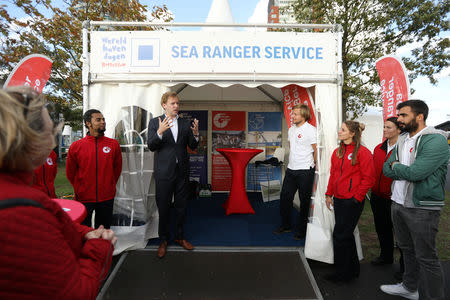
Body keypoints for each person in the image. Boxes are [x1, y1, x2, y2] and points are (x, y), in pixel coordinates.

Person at [0, 87, 116, 300]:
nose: (53, 138)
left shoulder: (29, 201)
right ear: (30, 137)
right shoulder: (25, 209)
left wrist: (83, 234)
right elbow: (75, 293)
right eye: (49, 128)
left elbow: (57, 228)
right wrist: (100, 247)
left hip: (104, 198)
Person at [381, 100, 449, 300]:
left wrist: (396, 166)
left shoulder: (435, 140)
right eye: (399, 115)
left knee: (427, 257)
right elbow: (386, 168)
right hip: (398, 203)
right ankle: (410, 288)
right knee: (407, 251)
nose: (399, 119)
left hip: (422, 208)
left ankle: (434, 297)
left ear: (419, 116)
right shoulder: (402, 139)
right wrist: (398, 167)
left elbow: (417, 173)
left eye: (403, 115)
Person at [148, 91, 199, 259]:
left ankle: (179, 236)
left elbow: (192, 146)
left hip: (182, 173)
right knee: (163, 207)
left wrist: (196, 134)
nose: (176, 106)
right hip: (164, 173)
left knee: (182, 207)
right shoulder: (155, 122)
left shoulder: (185, 124)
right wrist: (160, 132)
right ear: (164, 105)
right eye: (173, 103)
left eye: (177, 103)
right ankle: (163, 240)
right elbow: (151, 146)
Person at [325, 120, 375, 283]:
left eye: (343, 129)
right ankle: (352, 270)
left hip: (352, 201)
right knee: (346, 235)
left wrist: (357, 198)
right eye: (340, 129)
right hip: (339, 199)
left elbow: (369, 179)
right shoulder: (337, 152)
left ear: (352, 134)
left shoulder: (363, 152)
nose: (339, 131)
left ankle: (342, 274)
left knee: (340, 236)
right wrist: (328, 194)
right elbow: (332, 175)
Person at [66, 109, 122, 229]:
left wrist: (109, 185)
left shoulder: (113, 144)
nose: (103, 122)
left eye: (103, 119)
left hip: (106, 197)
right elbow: (70, 173)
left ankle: (102, 248)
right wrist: (80, 189)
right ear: (88, 123)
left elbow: (117, 169)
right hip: (84, 197)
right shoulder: (76, 146)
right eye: (98, 120)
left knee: (103, 231)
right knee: (83, 231)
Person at [273, 104, 317, 240]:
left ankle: (301, 230)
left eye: (295, 114)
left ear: (303, 116)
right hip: (291, 170)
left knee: (304, 202)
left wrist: (312, 166)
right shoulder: (291, 129)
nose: (292, 116)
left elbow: (316, 150)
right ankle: (286, 226)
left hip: (305, 171)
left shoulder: (311, 130)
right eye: (292, 114)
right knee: (285, 198)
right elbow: (293, 147)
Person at [370, 117, 402, 266]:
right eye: (384, 127)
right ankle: (386, 257)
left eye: (389, 127)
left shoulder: (403, 149)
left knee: (401, 234)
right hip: (377, 196)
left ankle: (404, 267)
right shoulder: (378, 148)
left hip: (395, 197)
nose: (385, 130)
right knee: (382, 228)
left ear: (399, 130)